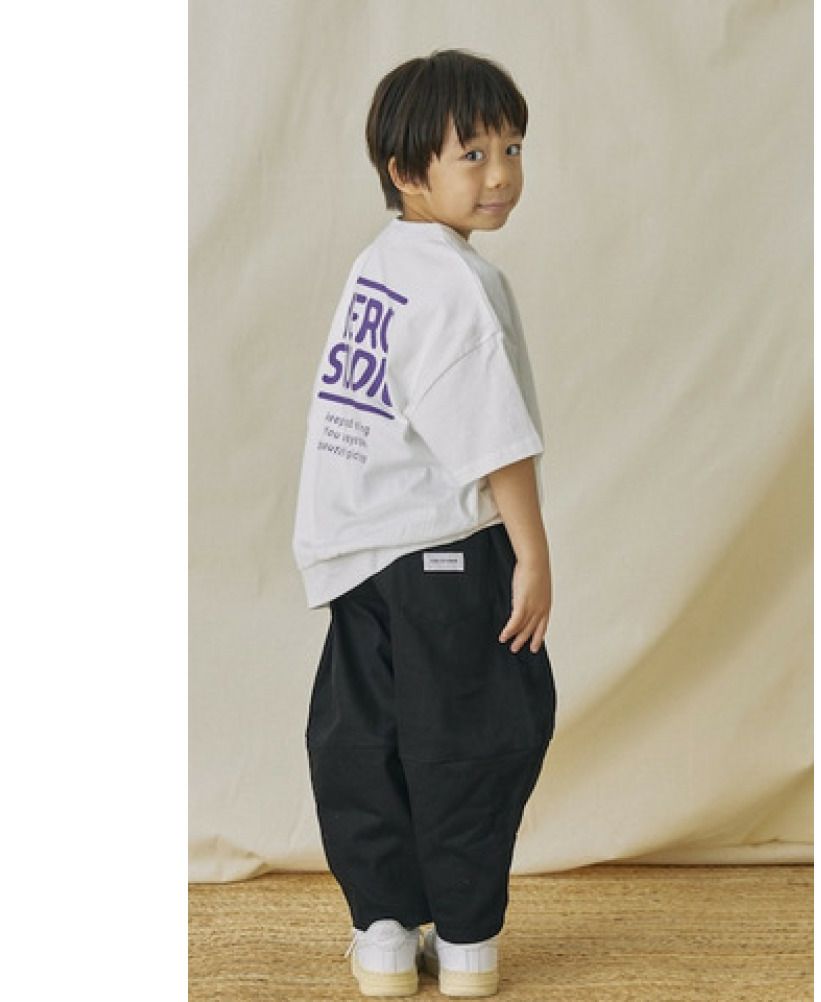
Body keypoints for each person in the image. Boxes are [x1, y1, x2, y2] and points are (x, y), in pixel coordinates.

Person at [292, 48, 557, 998]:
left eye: (512, 147)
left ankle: (384, 936)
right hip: (445, 553)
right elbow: (493, 439)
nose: (501, 174)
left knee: (363, 742)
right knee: (475, 738)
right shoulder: (458, 285)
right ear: (407, 170)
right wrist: (532, 554)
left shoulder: (380, 266)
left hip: (360, 552)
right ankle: (470, 943)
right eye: (473, 154)